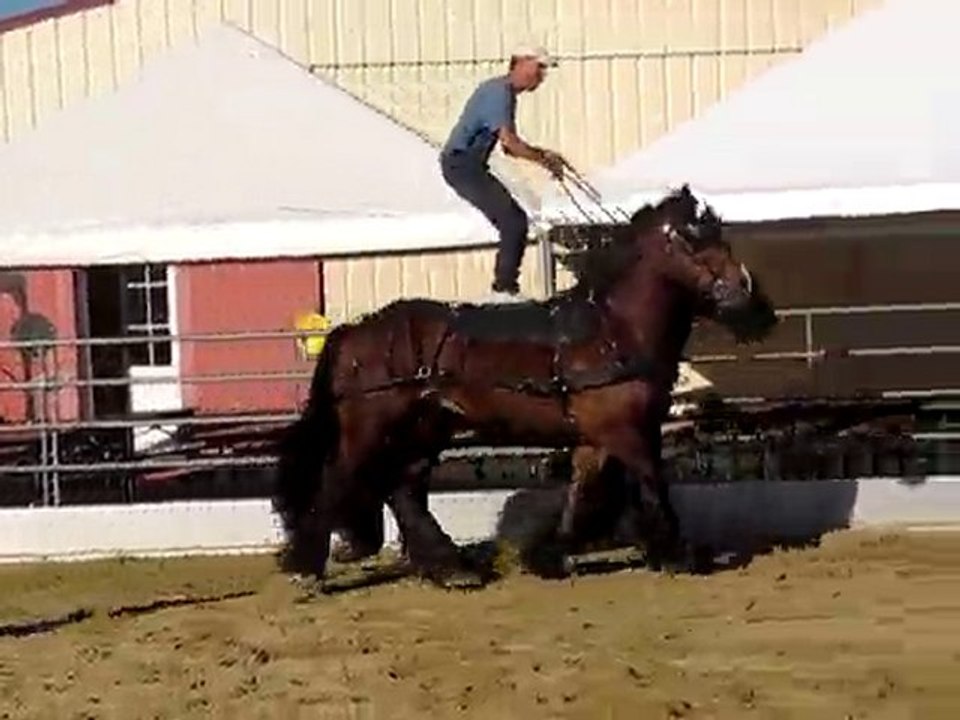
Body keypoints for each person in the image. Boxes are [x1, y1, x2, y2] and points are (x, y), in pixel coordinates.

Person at [440, 44, 568, 301]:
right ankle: (503, 291)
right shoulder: (500, 93)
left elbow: (509, 148)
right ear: (520, 63)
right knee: (513, 223)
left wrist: (542, 155)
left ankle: (505, 287)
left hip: (468, 164)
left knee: (514, 222)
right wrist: (545, 160)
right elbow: (510, 143)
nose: (542, 76)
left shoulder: (501, 92)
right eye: (539, 67)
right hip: (462, 165)